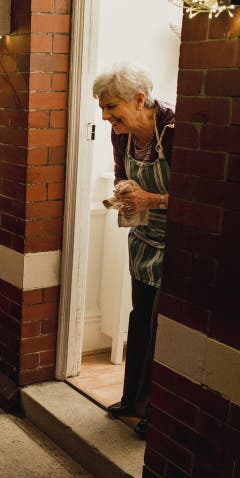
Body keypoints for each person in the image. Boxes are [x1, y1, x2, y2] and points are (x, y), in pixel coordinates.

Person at [93, 61, 174, 438]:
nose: (105, 114)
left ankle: (156, 414)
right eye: (103, 107)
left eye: (111, 107)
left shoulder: (175, 131)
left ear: (139, 99)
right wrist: (125, 190)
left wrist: (152, 199)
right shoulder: (123, 136)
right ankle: (133, 401)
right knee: (141, 318)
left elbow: (198, 198)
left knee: (164, 327)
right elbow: (120, 171)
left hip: (176, 243)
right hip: (144, 241)